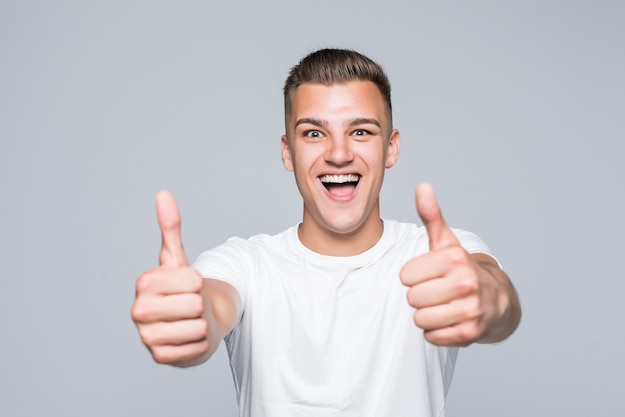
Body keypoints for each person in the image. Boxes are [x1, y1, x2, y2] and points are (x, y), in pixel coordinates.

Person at [131, 48, 521, 416]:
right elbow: (212, 308)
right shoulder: (245, 265)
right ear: (288, 152)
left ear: (391, 147)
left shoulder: (438, 256)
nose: (338, 153)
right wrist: (191, 323)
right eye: (314, 133)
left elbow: (497, 298)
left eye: (361, 132)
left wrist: (488, 301)